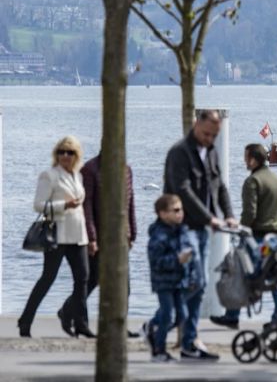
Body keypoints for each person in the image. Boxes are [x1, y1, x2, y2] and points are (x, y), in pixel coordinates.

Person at [163, 109, 236, 361]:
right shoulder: (179, 153)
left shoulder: (212, 152)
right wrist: (209, 217)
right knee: (195, 282)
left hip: (202, 228)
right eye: (206, 134)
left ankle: (187, 340)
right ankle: (166, 327)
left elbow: (220, 186)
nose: (210, 139)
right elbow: (182, 190)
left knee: (197, 283)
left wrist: (229, 214)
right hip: (181, 228)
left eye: (214, 135)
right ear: (196, 125)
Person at [19, 136, 92, 339]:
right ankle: (26, 320)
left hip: (78, 235)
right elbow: (38, 205)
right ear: (56, 154)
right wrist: (63, 206)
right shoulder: (49, 175)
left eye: (70, 152)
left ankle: (81, 324)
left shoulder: (77, 175)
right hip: (57, 234)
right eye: (61, 152)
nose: (65, 156)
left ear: (76, 155)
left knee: (83, 279)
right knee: (47, 279)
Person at [60, 152, 139, 338]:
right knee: (93, 280)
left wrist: (132, 232)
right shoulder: (90, 169)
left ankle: (119, 325)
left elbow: (130, 202)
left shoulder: (126, 170)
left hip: (121, 237)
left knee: (124, 285)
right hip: (99, 236)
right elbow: (86, 207)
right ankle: (67, 310)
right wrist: (92, 237)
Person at [211, 143, 277, 329]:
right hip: (276, 238)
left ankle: (232, 315)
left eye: (246, 158)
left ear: (253, 159)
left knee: (240, 274)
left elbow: (249, 214)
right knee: (274, 277)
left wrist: (242, 229)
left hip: (257, 238)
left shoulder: (253, 182)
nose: (245, 161)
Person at [146, 194, 196, 363]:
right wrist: (177, 260)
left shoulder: (181, 230)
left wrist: (191, 274)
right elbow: (156, 261)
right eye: (175, 210)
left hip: (180, 280)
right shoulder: (158, 235)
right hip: (164, 282)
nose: (180, 213)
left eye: (181, 210)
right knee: (167, 314)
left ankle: (152, 330)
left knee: (182, 315)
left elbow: (187, 254)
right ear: (162, 214)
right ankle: (159, 349)